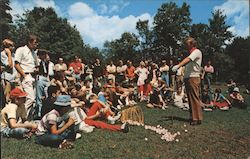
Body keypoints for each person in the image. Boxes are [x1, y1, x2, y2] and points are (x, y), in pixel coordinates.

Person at [172, 37, 202, 125]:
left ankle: (197, 118)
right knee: (190, 98)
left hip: (193, 77)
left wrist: (178, 65)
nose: (185, 45)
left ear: (192, 44)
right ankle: (193, 116)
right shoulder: (191, 53)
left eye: (187, 44)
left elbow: (188, 60)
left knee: (194, 97)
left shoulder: (196, 52)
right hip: (188, 77)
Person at [14, 34, 39, 120]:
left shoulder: (33, 53)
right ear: (29, 42)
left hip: (33, 77)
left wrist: (36, 70)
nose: (36, 44)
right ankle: (20, 119)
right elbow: (16, 64)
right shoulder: (21, 50)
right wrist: (24, 76)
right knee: (30, 99)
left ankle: (28, 121)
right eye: (35, 42)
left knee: (33, 101)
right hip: (26, 76)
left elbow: (36, 65)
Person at [34, 49, 51, 119]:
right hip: (40, 77)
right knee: (39, 95)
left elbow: (47, 72)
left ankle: (46, 110)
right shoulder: (38, 61)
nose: (46, 56)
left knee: (47, 93)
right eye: (44, 54)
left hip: (45, 78)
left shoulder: (46, 62)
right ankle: (39, 113)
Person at [1, 39, 16, 103]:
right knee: (8, 99)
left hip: (14, 79)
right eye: (11, 46)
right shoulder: (2, 54)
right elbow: (10, 65)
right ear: (6, 47)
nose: (13, 47)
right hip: (7, 79)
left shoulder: (14, 55)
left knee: (15, 98)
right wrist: (9, 54)